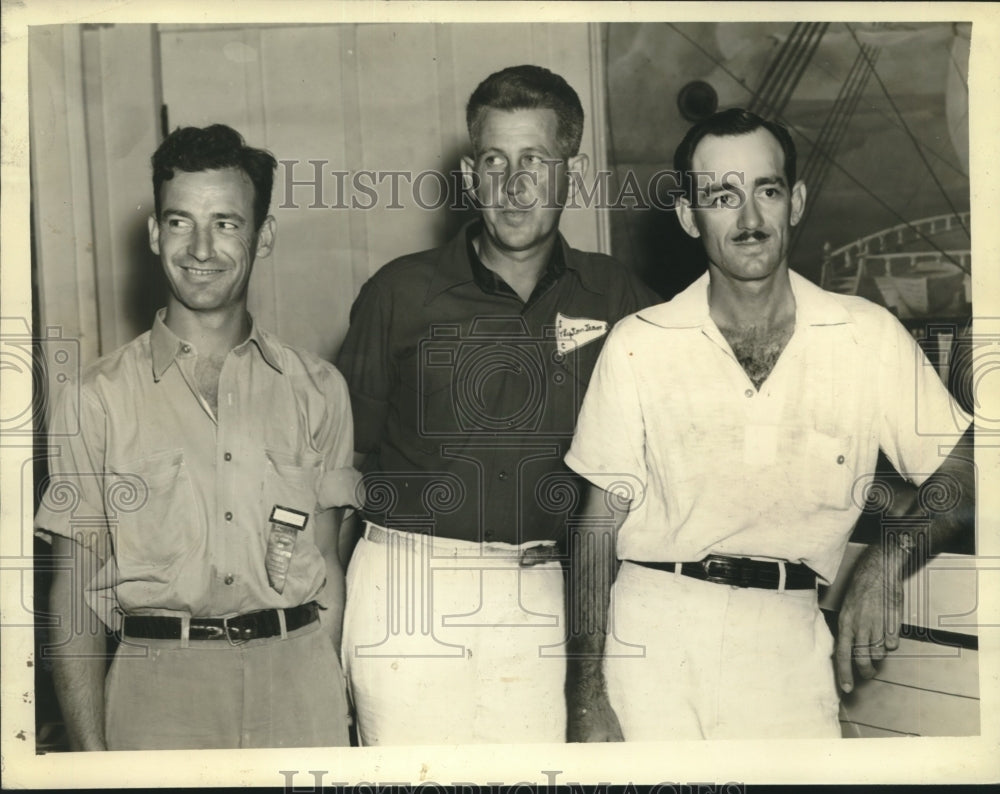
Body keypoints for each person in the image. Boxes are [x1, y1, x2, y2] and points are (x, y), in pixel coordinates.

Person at [563, 108, 974, 741]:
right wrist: (586, 695)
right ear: (687, 215)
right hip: (652, 635)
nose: (750, 220)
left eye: (768, 191)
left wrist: (887, 560)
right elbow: (594, 530)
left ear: (796, 202)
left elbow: (968, 471)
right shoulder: (639, 343)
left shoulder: (867, 336)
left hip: (788, 636)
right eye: (723, 197)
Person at [335, 64, 660, 745]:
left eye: (534, 161)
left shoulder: (618, 296)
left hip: (549, 589)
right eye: (494, 161)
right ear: (468, 172)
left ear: (571, 168)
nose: (513, 188)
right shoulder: (398, 292)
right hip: (407, 590)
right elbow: (342, 468)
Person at [35, 124, 359, 750]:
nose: (200, 248)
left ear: (263, 237)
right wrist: (90, 758)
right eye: (180, 222)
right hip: (157, 694)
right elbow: (72, 596)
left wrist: (328, 694)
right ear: (156, 233)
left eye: (227, 223)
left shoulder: (319, 388)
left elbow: (329, 569)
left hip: (298, 688)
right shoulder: (95, 397)